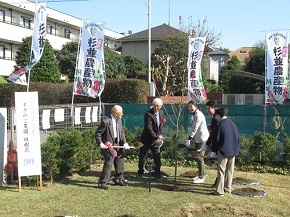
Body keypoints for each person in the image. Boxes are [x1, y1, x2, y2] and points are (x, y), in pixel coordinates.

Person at [96, 105, 130, 190]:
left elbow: (122, 133)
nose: (121, 115)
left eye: (121, 113)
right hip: (109, 146)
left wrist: (125, 143)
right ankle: (102, 182)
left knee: (120, 160)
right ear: (114, 113)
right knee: (109, 161)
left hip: (118, 143)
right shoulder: (106, 122)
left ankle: (119, 179)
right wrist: (101, 144)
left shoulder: (120, 121)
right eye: (119, 113)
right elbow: (98, 134)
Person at [210, 107, 240, 196]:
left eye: (216, 116)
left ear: (219, 115)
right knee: (230, 171)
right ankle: (228, 187)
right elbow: (238, 138)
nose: (216, 118)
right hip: (233, 151)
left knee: (221, 171)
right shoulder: (233, 125)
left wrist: (213, 150)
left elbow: (216, 139)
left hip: (223, 151)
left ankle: (219, 191)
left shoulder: (219, 125)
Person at [137, 98, 165, 180]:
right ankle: (140, 173)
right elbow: (148, 128)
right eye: (154, 106)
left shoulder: (161, 113)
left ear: (160, 106)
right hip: (146, 139)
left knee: (157, 156)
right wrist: (156, 137)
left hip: (156, 140)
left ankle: (157, 174)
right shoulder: (148, 114)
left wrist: (159, 136)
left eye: (157, 106)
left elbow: (160, 126)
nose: (156, 108)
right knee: (142, 156)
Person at [185, 100, 209, 184]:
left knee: (199, 157)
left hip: (203, 138)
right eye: (189, 107)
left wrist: (189, 139)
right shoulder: (195, 114)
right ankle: (200, 174)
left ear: (196, 106)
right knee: (197, 156)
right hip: (198, 138)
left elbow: (195, 128)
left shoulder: (198, 115)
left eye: (191, 106)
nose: (190, 108)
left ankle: (201, 177)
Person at [202, 100, 218, 187]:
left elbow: (214, 135)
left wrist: (209, 146)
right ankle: (218, 182)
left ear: (214, 108)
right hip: (217, 144)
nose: (207, 111)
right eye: (206, 109)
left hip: (220, 145)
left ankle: (219, 183)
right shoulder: (214, 118)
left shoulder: (216, 119)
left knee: (221, 166)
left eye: (209, 109)